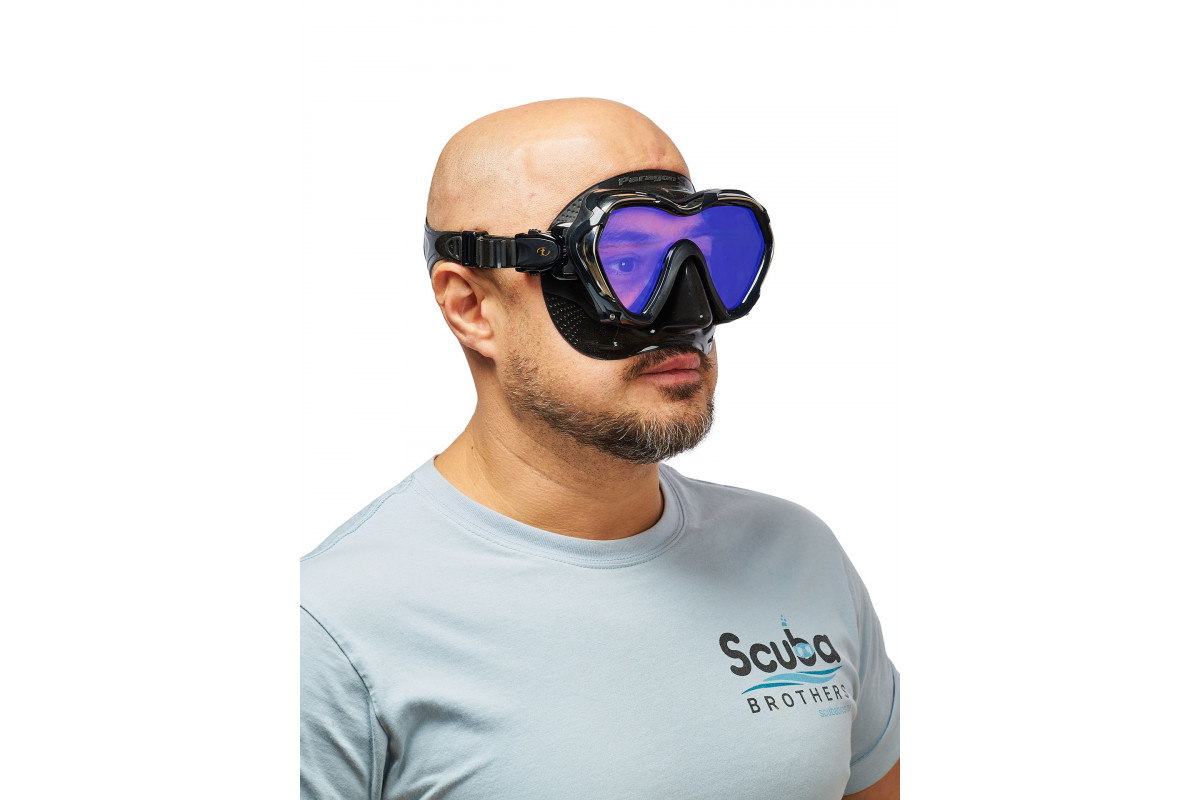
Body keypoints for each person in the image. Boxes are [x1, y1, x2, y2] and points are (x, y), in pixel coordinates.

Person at [300, 98, 900, 799]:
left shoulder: (799, 558)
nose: (689, 313)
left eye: (702, 254)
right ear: (471, 307)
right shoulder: (333, 630)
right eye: (624, 260)